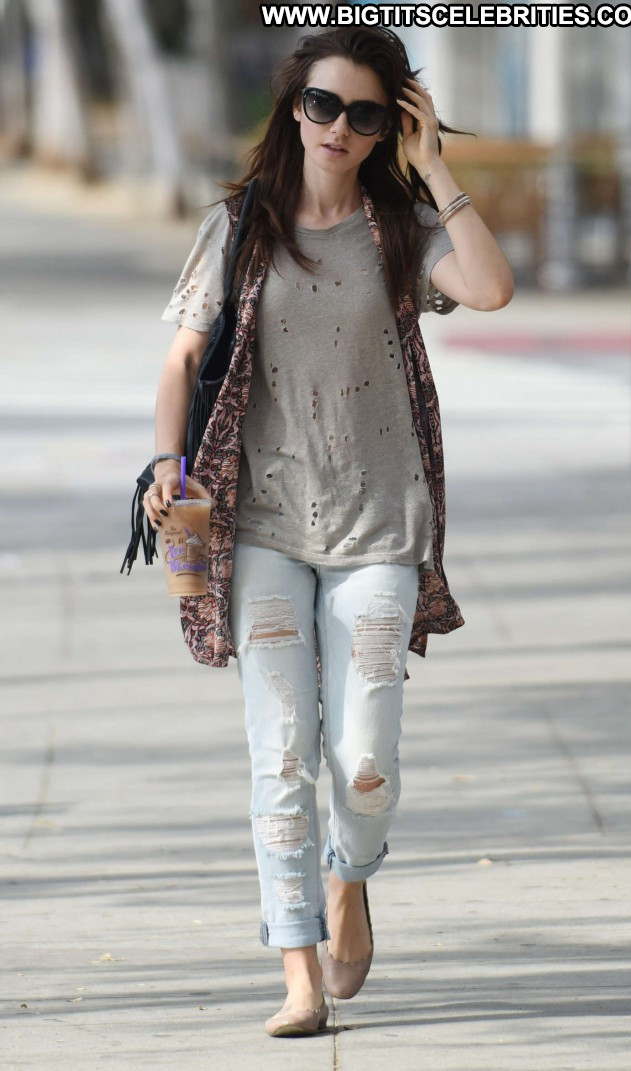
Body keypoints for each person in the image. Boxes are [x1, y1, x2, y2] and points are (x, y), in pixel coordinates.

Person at [144, 26, 513, 1038]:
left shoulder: (400, 230)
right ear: (292, 108)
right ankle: (298, 971)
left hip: (379, 527)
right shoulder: (239, 227)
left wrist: (435, 168)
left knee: (364, 756)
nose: (338, 127)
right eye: (321, 105)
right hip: (262, 525)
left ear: (388, 124)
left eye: (365, 113)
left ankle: (351, 875)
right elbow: (181, 359)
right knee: (280, 755)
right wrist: (171, 467)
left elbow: (490, 288)